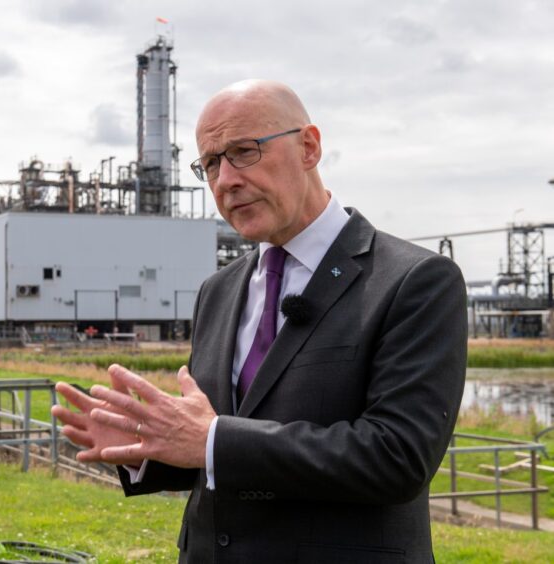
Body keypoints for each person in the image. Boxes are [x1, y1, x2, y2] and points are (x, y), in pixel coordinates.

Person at [51, 80, 467, 563]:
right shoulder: (219, 291)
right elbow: (217, 452)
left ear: (309, 147)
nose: (225, 179)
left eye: (243, 152)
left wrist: (211, 440)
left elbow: (397, 457)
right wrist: (152, 448)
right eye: (210, 164)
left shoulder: (413, 280)